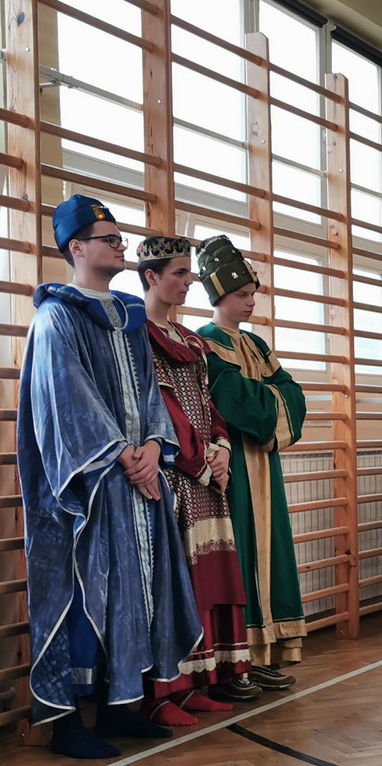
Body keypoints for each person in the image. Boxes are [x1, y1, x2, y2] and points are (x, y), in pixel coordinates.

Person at [17, 196, 202, 758]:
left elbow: (149, 393)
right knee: (82, 591)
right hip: (88, 486)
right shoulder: (56, 317)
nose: (122, 246)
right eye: (110, 239)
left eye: (121, 238)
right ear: (76, 247)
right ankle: (68, 722)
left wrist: (154, 445)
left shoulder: (129, 317)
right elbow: (66, 399)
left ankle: (120, 704)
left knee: (134, 590)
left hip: (137, 479)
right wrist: (123, 455)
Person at [137, 235, 259, 715]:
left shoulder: (190, 340)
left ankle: (201, 680)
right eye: (180, 274)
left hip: (207, 474)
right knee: (175, 585)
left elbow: (208, 403)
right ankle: (164, 692)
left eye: (190, 273)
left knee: (209, 581)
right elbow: (157, 408)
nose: (190, 282)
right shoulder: (137, 335)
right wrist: (199, 461)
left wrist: (222, 448)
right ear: (152, 277)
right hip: (172, 475)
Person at [196, 236, 307, 680]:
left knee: (270, 551)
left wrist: (264, 397)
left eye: (252, 294)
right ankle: (238, 659)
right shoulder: (207, 343)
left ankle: (265, 653)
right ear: (220, 296)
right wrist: (268, 396)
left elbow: (294, 395)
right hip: (234, 468)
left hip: (264, 465)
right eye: (242, 294)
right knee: (239, 553)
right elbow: (232, 399)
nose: (250, 302)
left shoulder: (257, 346)